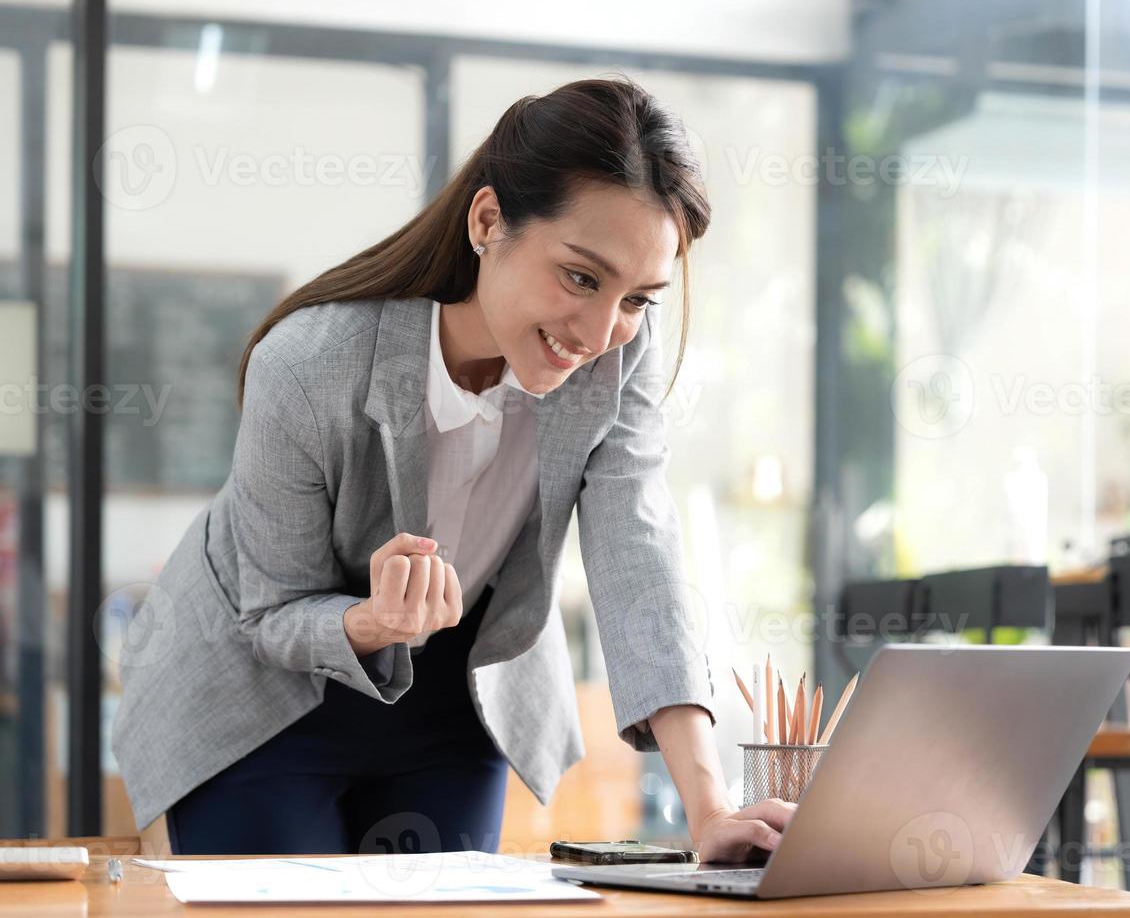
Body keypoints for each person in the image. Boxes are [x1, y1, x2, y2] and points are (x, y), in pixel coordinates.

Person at [113, 75, 793, 862]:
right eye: (580, 276)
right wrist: (373, 621)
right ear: (488, 221)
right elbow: (270, 613)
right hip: (258, 692)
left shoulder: (618, 356)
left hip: (453, 694)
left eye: (639, 298)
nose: (602, 330)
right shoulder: (308, 363)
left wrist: (710, 811)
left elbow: (638, 557)